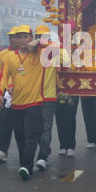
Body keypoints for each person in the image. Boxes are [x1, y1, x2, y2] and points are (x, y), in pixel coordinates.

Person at [0, 25, 43, 181]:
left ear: (31, 37)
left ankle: (26, 166)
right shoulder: (9, 57)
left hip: (35, 102)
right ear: (15, 39)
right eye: (20, 37)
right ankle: (26, 165)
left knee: (32, 135)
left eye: (26, 36)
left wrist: (38, 42)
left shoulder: (39, 54)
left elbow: (56, 47)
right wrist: (0, 93)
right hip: (16, 103)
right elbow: (4, 76)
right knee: (20, 137)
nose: (23, 40)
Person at [0, 27, 22, 163]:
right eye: (10, 37)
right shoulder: (3, 54)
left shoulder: (27, 54)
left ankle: (31, 154)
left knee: (24, 125)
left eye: (15, 37)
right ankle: (1, 150)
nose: (12, 39)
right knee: (5, 120)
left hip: (24, 93)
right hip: (8, 93)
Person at [35, 25, 58, 170]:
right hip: (32, 97)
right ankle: (45, 149)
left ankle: (42, 156)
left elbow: (66, 58)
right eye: (38, 37)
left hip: (49, 96)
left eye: (43, 37)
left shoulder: (54, 51)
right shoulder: (30, 53)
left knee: (45, 128)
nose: (41, 39)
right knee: (34, 129)